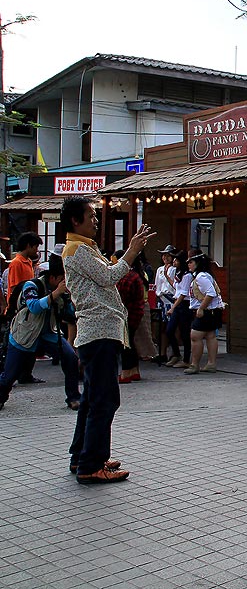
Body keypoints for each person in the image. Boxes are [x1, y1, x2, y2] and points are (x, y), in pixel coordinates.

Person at [64, 196, 155, 484]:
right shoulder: (77, 250)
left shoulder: (84, 248)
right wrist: (131, 251)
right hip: (99, 331)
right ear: (75, 221)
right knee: (104, 400)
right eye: (90, 215)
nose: (95, 220)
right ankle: (91, 464)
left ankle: (83, 456)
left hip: (100, 332)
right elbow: (108, 277)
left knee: (92, 399)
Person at [0, 254, 81, 411]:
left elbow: (69, 313)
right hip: (24, 335)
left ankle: (73, 397)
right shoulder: (31, 286)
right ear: (53, 278)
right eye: (62, 278)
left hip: (49, 333)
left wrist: (68, 300)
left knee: (70, 358)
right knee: (10, 374)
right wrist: (55, 294)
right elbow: (34, 307)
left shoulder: (61, 291)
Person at [8, 231, 45, 385]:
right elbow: (16, 287)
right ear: (29, 246)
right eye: (35, 246)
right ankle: (17, 373)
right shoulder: (17, 263)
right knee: (22, 341)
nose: (37, 250)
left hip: (28, 303)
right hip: (22, 306)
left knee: (31, 341)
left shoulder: (28, 262)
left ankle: (26, 373)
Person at [185, 253, 225, 374]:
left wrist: (201, 308)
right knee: (210, 335)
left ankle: (194, 364)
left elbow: (211, 293)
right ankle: (211, 363)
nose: (188, 265)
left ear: (197, 264)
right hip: (213, 310)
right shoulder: (206, 275)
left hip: (207, 311)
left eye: (191, 262)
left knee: (195, 336)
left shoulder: (201, 276)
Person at [114, 250, 147, 384]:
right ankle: (134, 370)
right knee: (130, 342)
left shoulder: (127, 276)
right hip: (135, 313)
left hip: (127, 313)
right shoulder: (136, 274)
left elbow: (120, 297)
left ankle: (126, 372)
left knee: (125, 344)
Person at [166, 252, 193, 368]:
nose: (174, 262)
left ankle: (186, 359)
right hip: (177, 303)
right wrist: (167, 277)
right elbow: (177, 288)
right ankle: (176, 354)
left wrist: (173, 307)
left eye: (176, 260)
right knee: (169, 330)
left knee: (184, 333)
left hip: (184, 305)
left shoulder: (187, 275)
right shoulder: (179, 273)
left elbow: (183, 294)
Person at [152, 245, 178, 364]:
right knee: (162, 327)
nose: (165, 257)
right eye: (164, 255)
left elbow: (176, 287)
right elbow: (157, 285)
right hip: (161, 299)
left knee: (172, 328)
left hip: (172, 299)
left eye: (168, 255)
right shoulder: (159, 269)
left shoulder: (175, 269)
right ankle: (162, 353)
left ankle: (174, 353)